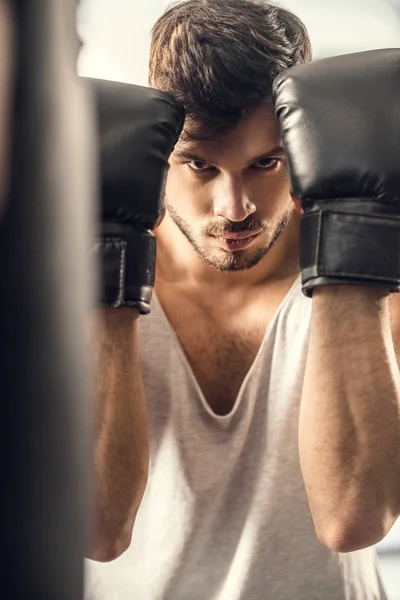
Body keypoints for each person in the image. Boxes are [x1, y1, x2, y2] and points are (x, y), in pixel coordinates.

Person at [84, 1, 400, 598]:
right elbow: (98, 530)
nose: (235, 209)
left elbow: (352, 518)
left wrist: (350, 243)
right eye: (199, 165)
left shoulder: (376, 277)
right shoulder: (85, 267)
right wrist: (110, 262)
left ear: (308, 143)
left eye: (266, 162)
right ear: (155, 151)